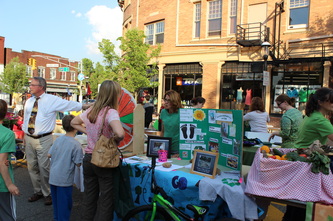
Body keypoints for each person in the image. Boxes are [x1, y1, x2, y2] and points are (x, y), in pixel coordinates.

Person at [22, 77, 90, 206]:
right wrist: (24, 135)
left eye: (32, 85)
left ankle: (48, 193)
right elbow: (26, 119)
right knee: (32, 166)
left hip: (43, 138)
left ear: (41, 87)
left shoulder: (51, 100)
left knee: (44, 167)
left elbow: (68, 104)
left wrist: (85, 106)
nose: (30, 87)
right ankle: (38, 191)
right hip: (29, 137)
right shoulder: (29, 101)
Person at [71, 80, 124, 221]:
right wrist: (112, 140)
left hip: (88, 158)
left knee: (89, 198)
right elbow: (120, 133)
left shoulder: (91, 110)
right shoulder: (111, 112)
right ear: (114, 95)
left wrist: (89, 132)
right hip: (104, 160)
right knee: (106, 201)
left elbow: (73, 122)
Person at [48, 114, 83, 221]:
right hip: (64, 179)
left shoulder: (58, 140)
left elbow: (49, 154)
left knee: (57, 208)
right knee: (65, 208)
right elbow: (78, 163)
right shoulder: (76, 145)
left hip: (53, 177)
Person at [0, 99, 20, 221]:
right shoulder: (7, 134)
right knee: (7, 215)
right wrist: (10, 184)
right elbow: (2, 162)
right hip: (1, 185)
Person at [160, 90, 183, 156]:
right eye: (165, 100)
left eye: (169, 100)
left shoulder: (182, 113)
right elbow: (163, 131)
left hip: (177, 148)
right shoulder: (163, 112)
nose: (166, 102)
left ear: (174, 101)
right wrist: (160, 145)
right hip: (165, 147)